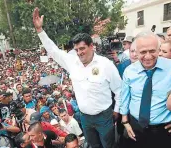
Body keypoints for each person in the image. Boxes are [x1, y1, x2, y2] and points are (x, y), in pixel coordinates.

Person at [33, 7, 122, 148]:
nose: (79, 53)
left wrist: (117, 110)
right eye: (77, 50)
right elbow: (53, 51)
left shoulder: (106, 64)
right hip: (85, 117)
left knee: (108, 145)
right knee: (93, 145)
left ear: (91, 46)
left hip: (104, 116)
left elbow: (119, 90)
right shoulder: (72, 62)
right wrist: (40, 31)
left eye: (82, 48)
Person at [120, 31, 171, 148]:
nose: (148, 56)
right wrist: (125, 122)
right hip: (136, 127)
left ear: (158, 49)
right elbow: (124, 97)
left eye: (152, 51)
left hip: (166, 130)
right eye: (143, 52)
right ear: (135, 52)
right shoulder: (129, 71)